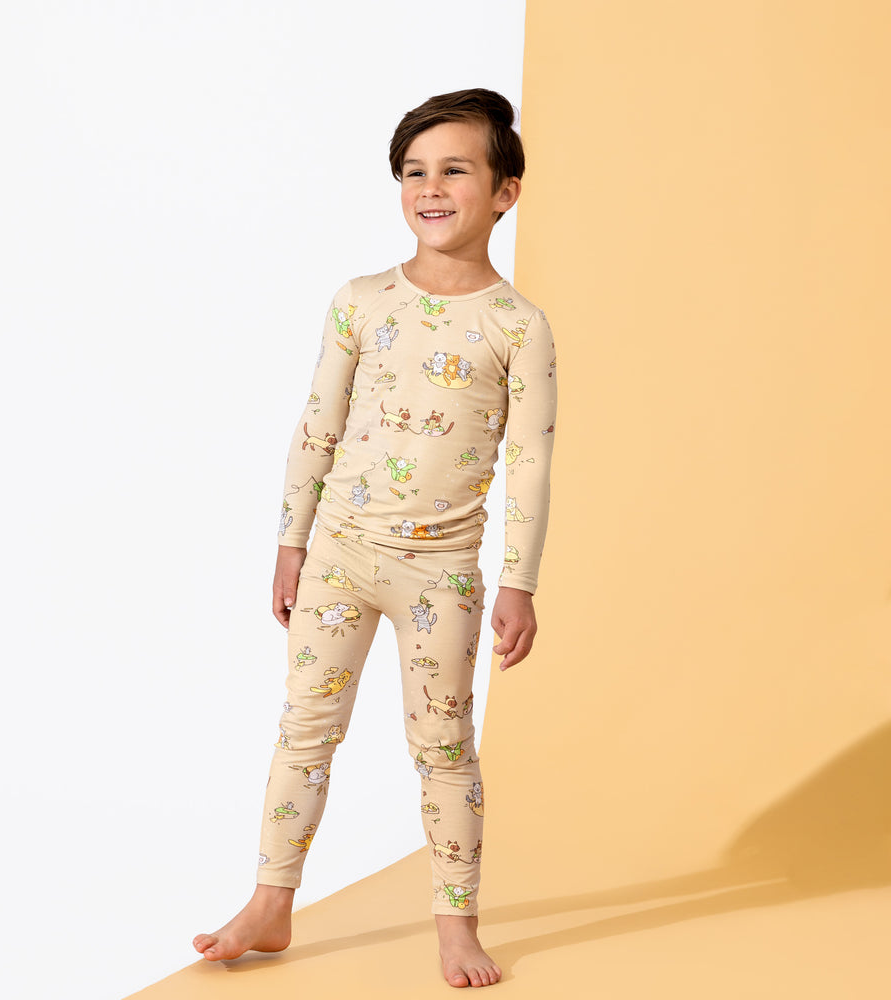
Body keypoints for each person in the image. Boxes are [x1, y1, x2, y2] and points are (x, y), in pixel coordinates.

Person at [193, 88, 557, 989]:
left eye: (454, 170)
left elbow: (531, 463)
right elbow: (317, 424)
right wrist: (292, 540)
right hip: (340, 556)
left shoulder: (518, 325)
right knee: (304, 731)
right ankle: (271, 902)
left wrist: (519, 580)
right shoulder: (361, 301)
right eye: (413, 172)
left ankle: (456, 925)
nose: (430, 188)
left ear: (505, 192)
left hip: (441, 574)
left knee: (443, 747)